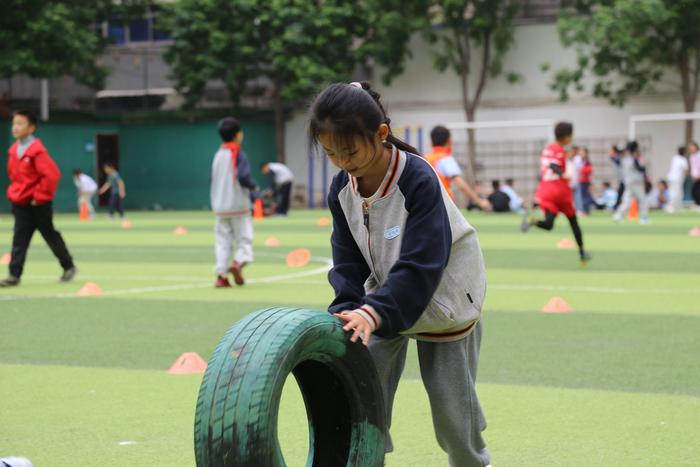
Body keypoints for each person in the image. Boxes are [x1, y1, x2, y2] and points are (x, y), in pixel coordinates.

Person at [310, 81, 490, 467]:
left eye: (350, 150)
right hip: (383, 302)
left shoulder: (418, 179)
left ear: (381, 134)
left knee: (454, 419)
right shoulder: (342, 187)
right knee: (361, 403)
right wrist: (346, 307)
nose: (342, 161)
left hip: (445, 302)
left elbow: (422, 263)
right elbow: (346, 257)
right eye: (330, 153)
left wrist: (374, 311)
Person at [1, 110, 77, 287]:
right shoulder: (13, 150)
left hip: (38, 205)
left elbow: (52, 175)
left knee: (50, 235)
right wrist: (14, 194)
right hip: (21, 204)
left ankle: (68, 266)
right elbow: (14, 176)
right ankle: (14, 275)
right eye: (14, 123)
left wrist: (39, 197)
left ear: (31, 128)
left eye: (20, 124)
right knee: (19, 239)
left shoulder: (37, 151)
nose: (15, 127)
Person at [521, 122, 591, 265]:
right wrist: (562, 174)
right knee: (573, 222)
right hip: (559, 191)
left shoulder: (547, 149)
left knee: (549, 224)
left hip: (545, 191)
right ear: (566, 137)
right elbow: (554, 165)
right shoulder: (559, 150)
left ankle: (533, 222)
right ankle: (582, 252)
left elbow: (546, 167)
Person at [211, 116, 257, 288]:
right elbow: (244, 176)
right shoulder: (237, 153)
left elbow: (212, 179)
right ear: (238, 135)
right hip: (238, 205)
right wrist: (253, 188)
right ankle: (237, 263)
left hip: (220, 206)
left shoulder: (218, 155)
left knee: (223, 242)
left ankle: (221, 276)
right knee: (244, 239)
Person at [425, 125, 490, 210]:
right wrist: (479, 201)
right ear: (449, 141)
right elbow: (460, 184)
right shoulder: (445, 159)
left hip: (427, 203)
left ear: (431, 142)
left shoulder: (425, 158)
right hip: (443, 204)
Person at [613, 141, 650, 224]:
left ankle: (619, 215)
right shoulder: (634, 157)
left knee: (626, 200)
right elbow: (641, 168)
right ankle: (644, 218)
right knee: (642, 200)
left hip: (628, 181)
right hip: (637, 182)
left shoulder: (625, 157)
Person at [665, 146, 688, 213]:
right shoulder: (683, 159)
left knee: (679, 192)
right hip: (676, 178)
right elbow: (686, 170)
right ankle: (670, 206)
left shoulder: (675, 158)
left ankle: (678, 207)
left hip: (672, 177)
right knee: (674, 192)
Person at [578, 147, 594, 215]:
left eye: (582, 152)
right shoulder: (579, 161)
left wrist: (582, 170)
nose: (581, 154)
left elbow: (590, 171)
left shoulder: (587, 162)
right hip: (579, 181)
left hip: (585, 181)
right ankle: (583, 210)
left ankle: (585, 211)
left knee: (585, 196)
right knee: (582, 196)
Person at [609, 145, 625, 210]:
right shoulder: (617, 157)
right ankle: (616, 206)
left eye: (611, 150)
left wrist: (614, 156)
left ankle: (616, 207)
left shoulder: (618, 158)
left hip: (624, 179)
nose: (609, 152)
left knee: (622, 193)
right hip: (622, 179)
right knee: (621, 193)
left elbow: (617, 161)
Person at [687, 141, 700, 210]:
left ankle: (698, 204)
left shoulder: (699, 155)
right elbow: (693, 167)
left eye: (692, 147)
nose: (691, 149)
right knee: (694, 190)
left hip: (698, 176)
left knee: (697, 190)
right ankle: (697, 204)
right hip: (695, 177)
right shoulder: (691, 156)